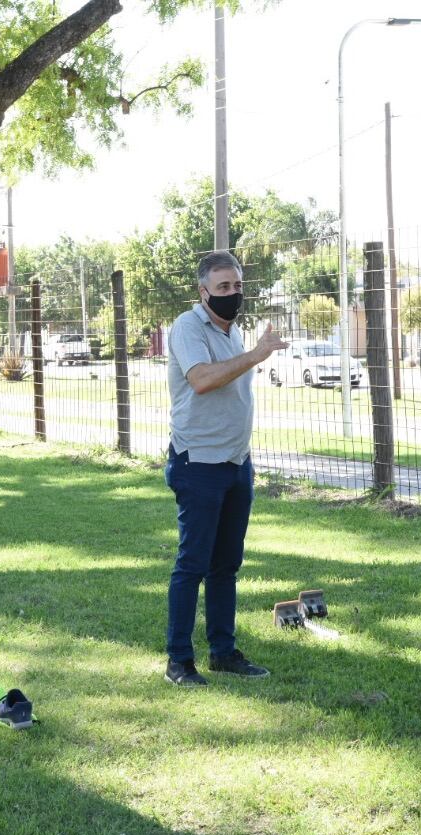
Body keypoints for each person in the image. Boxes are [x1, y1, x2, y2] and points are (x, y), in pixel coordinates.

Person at [163, 250, 288, 686]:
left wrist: (250, 351)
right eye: (223, 287)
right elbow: (202, 380)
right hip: (199, 463)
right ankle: (179, 660)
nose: (233, 294)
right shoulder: (187, 327)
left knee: (226, 565)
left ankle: (223, 652)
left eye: (237, 286)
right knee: (192, 564)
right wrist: (256, 355)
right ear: (203, 292)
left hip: (237, 463)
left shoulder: (232, 331)